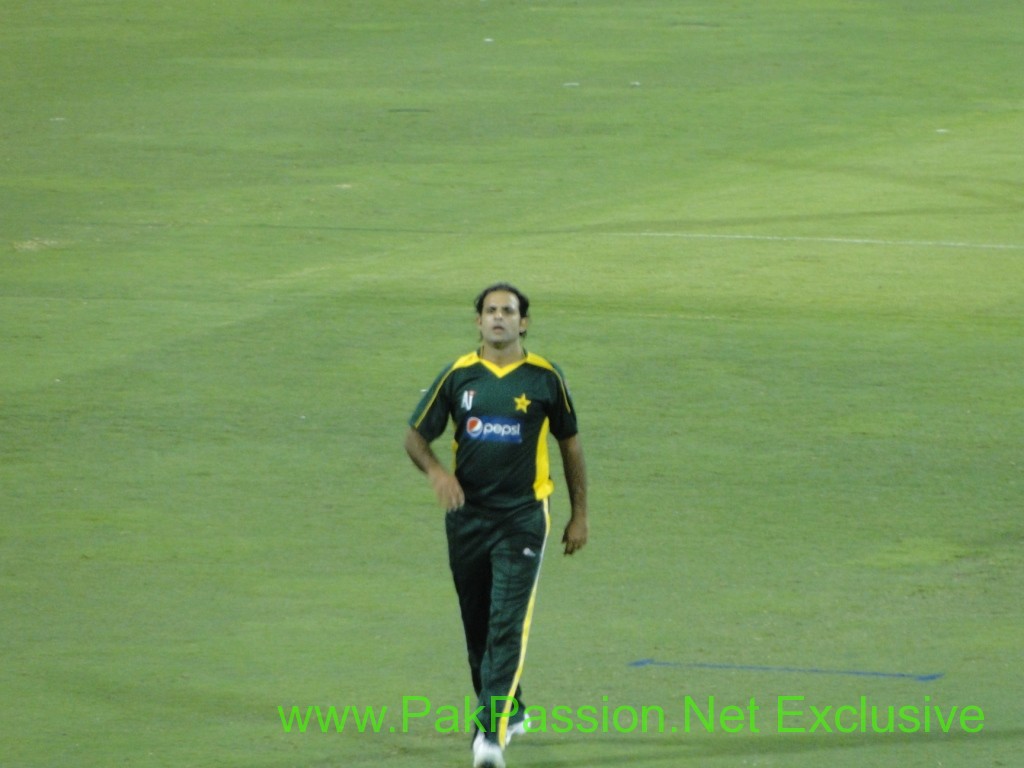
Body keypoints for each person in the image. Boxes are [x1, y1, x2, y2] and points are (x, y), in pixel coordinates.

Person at [404, 283, 589, 768]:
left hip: (524, 518)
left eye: (508, 311)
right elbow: (414, 437)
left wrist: (580, 515)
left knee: (507, 623)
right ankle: (513, 706)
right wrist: (438, 474)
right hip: (466, 519)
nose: (499, 318)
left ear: (524, 322)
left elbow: (570, 446)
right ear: (479, 322)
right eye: (491, 311)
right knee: (478, 624)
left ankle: (490, 733)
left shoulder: (546, 378)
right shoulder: (459, 376)